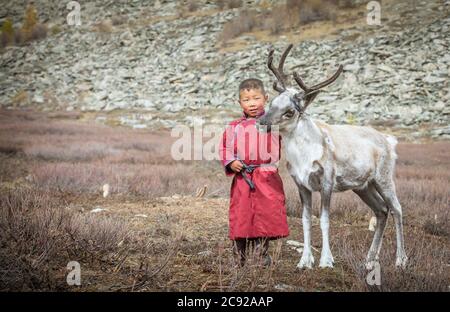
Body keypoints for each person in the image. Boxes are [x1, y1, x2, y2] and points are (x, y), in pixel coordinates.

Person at [219, 78, 289, 267]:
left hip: (267, 178)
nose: (252, 103)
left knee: (265, 216)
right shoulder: (234, 126)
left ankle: (260, 255)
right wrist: (231, 161)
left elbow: (291, 135)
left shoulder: (274, 124)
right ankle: (238, 256)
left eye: (256, 98)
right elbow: (225, 148)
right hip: (243, 178)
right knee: (241, 216)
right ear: (239, 102)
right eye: (246, 99)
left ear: (266, 98)